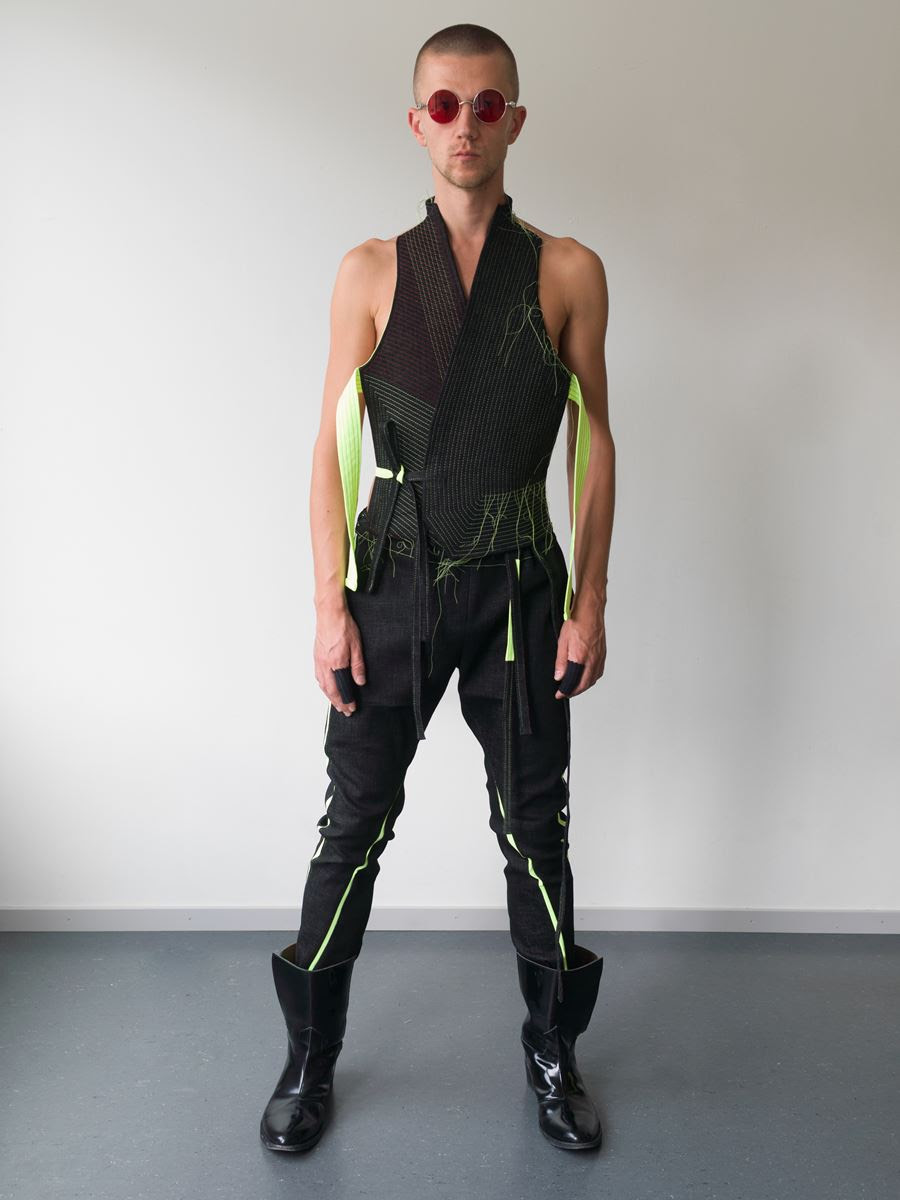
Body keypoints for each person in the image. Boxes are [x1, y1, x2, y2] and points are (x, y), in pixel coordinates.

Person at [260, 22, 614, 1155]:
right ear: (418, 122)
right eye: (446, 105)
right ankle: (309, 1057)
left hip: (520, 587)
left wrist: (590, 601)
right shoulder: (370, 270)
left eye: (487, 104)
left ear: (515, 120)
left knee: (537, 829)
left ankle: (553, 1053)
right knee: (354, 823)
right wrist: (329, 606)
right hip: (393, 582)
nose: (466, 124)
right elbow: (329, 449)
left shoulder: (566, 270)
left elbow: (594, 441)